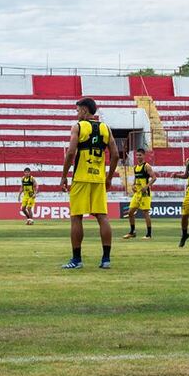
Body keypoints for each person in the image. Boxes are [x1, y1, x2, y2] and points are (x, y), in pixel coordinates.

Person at [60, 98, 119, 269]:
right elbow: (115, 155)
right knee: (102, 216)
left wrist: (64, 176)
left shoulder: (78, 127)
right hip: (98, 178)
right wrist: (109, 177)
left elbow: (71, 153)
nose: (77, 114)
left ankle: (77, 260)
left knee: (76, 217)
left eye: (78, 110)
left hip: (81, 178)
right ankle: (106, 259)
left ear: (85, 110)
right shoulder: (105, 128)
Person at [123, 148, 157, 239]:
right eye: (137, 155)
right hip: (137, 193)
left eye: (140, 155)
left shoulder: (147, 166)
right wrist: (134, 185)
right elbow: (136, 178)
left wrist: (146, 186)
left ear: (144, 155)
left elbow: (154, 178)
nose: (138, 157)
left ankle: (149, 234)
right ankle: (132, 232)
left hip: (145, 193)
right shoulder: (135, 167)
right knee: (130, 212)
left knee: (146, 213)